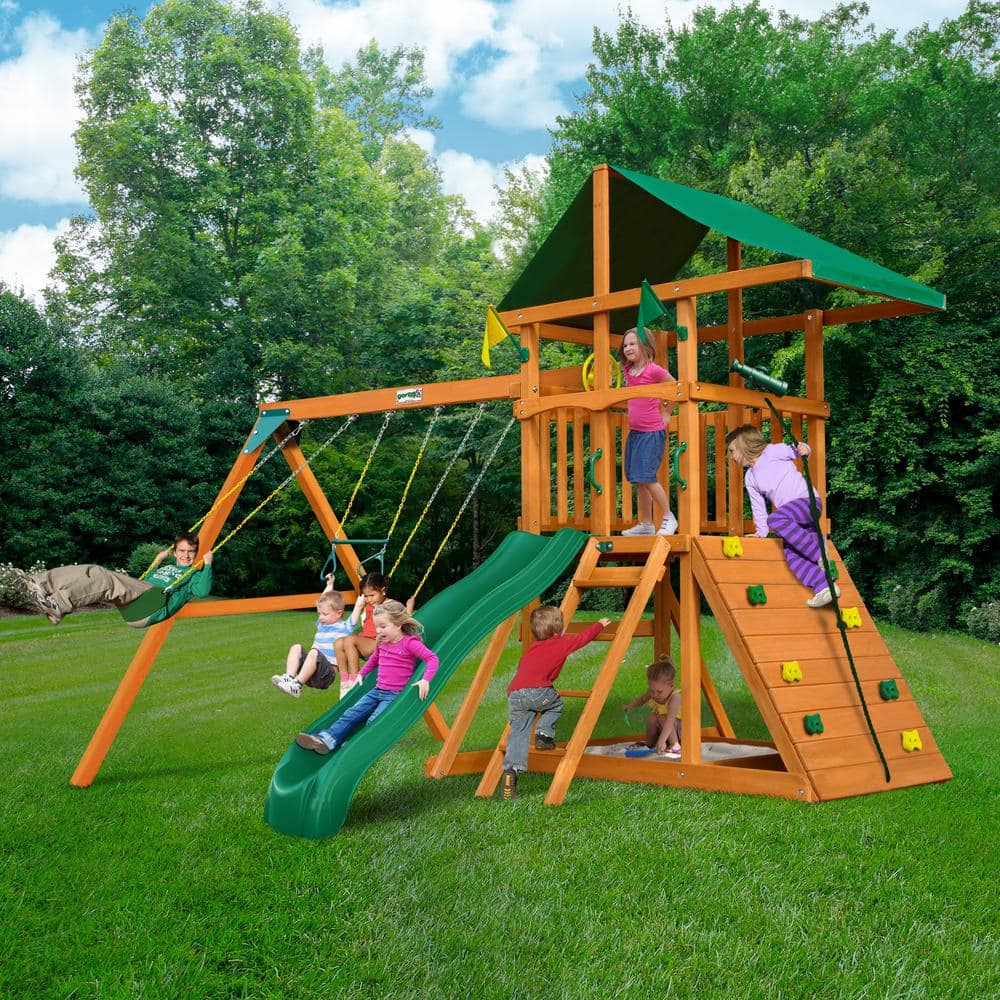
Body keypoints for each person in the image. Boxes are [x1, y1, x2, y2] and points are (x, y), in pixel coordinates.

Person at [295, 600, 439, 755]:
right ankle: (327, 739)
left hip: (395, 695)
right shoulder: (382, 642)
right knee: (351, 713)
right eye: (377, 626)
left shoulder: (409, 643)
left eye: (383, 626)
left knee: (375, 721)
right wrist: (361, 674)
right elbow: (374, 659)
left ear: (398, 624)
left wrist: (425, 680)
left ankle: (356, 747)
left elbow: (432, 659)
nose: (378, 631)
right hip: (377, 691)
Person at [500, 607, 611, 800]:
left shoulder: (533, 648)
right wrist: (599, 625)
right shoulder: (561, 643)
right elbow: (582, 638)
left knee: (518, 732)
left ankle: (511, 770)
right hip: (538, 691)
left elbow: (524, 669)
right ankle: (544, 735)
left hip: (515, 694)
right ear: (559, 628)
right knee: (555, 704)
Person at [726, 424, 839, 608]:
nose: (731, 457)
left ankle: (819, 552)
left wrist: (805, 449)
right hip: (793, 517)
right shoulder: (750, 478)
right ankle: (824, 587)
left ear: (744, 445)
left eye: (732, 451)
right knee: (793, 557)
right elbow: (758, 508)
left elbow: (797, 449)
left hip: (807, 502)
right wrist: (761, 532)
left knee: (776, 519)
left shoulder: (772, 452)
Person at [10, 531, 213, 627]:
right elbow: (147, 579)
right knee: (96, 571)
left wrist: (207, 565)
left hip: (153, 606)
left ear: (196, 554)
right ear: (175, 552)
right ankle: (38, 582)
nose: (186, 556)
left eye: (191, 552)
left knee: (108, 581)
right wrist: (157, 562)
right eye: (182, 551)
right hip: (139, 601)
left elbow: (203, 591)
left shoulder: (194, 575)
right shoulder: (168, 567)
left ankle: (58, 605)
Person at [620, 327, 678, 537]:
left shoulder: (654, 371)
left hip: (651, 432)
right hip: (635, 433)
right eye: (625, 345)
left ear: (645, 346)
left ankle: (668, 517)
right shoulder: (628, 371)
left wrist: (667, 413)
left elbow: (675, 387)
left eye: (633, 344)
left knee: (647, 477)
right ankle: (646, 523)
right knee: (638, 479)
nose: (628, 348)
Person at [271, 578, 360, 698]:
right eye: (319, 614)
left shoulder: (345, 627)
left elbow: (357, 609)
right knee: (296, 647)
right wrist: (330, 585)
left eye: (325, 614)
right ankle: (289, 679)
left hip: (326, 675)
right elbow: (321, 602)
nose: (321, 617)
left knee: (314, 652)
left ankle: (297, 686)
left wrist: (363, 597)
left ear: (339, 613)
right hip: (309, 672)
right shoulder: (322, 625)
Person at [334, 571, 389, 693]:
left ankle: (355, 678)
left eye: (372, 595)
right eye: (366, 596)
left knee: (349, 640)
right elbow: (363, 597)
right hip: (366, 641)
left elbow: (402, 618)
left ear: (383, 590)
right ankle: (344, 681)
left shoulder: (390, 605)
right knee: (338, 642)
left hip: (379, 643)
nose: (368, 599)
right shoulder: (369, 604)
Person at [622, 654, 682, 757]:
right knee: (653, 717)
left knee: (662, 717)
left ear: (671, 685)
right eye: (652, 690)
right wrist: (630, 706)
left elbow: (670, 720)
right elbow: (642, 700)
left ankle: (675, 744)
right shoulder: (654, 692)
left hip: (680, 729)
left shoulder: (675, 697)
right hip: (664, 729)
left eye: (659, 692)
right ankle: (650, 743)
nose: (654, 695)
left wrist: (662, 740)